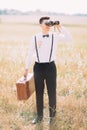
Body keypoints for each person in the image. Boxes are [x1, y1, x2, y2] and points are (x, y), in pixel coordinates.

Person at [24, 16, 72, 124]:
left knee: (52, 93)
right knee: (39, 93)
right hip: (38, 67)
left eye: (49, 23)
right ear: (41, 25)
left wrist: (60, 26)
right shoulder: (35, 37)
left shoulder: (55, 36)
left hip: (50, 67)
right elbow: (30, 53)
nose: (48, 25)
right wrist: (26, 68)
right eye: (46, 23)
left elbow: (69, 38)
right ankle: (39, 116)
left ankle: (52, 118)